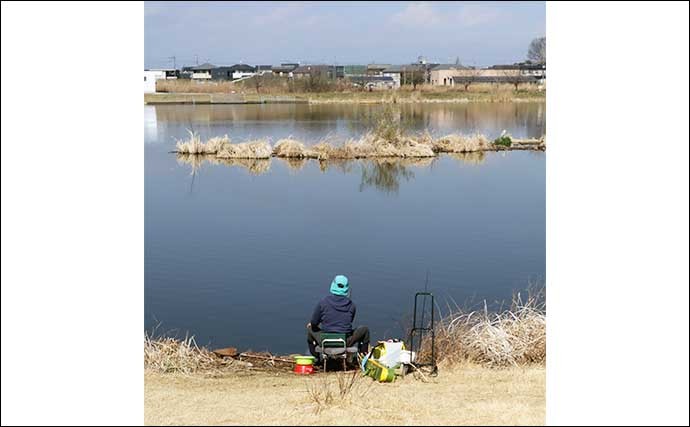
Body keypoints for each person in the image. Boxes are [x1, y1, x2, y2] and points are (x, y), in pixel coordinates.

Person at [306, 274, 370, 362]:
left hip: (325, 340)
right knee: (364, 330)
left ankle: (316, 357)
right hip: (345, 340)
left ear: (333, 285)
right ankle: (363, 358)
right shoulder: (351, 305)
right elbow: (349, 321)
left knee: (310, 328)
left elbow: (314, 323)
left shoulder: (323, 302)